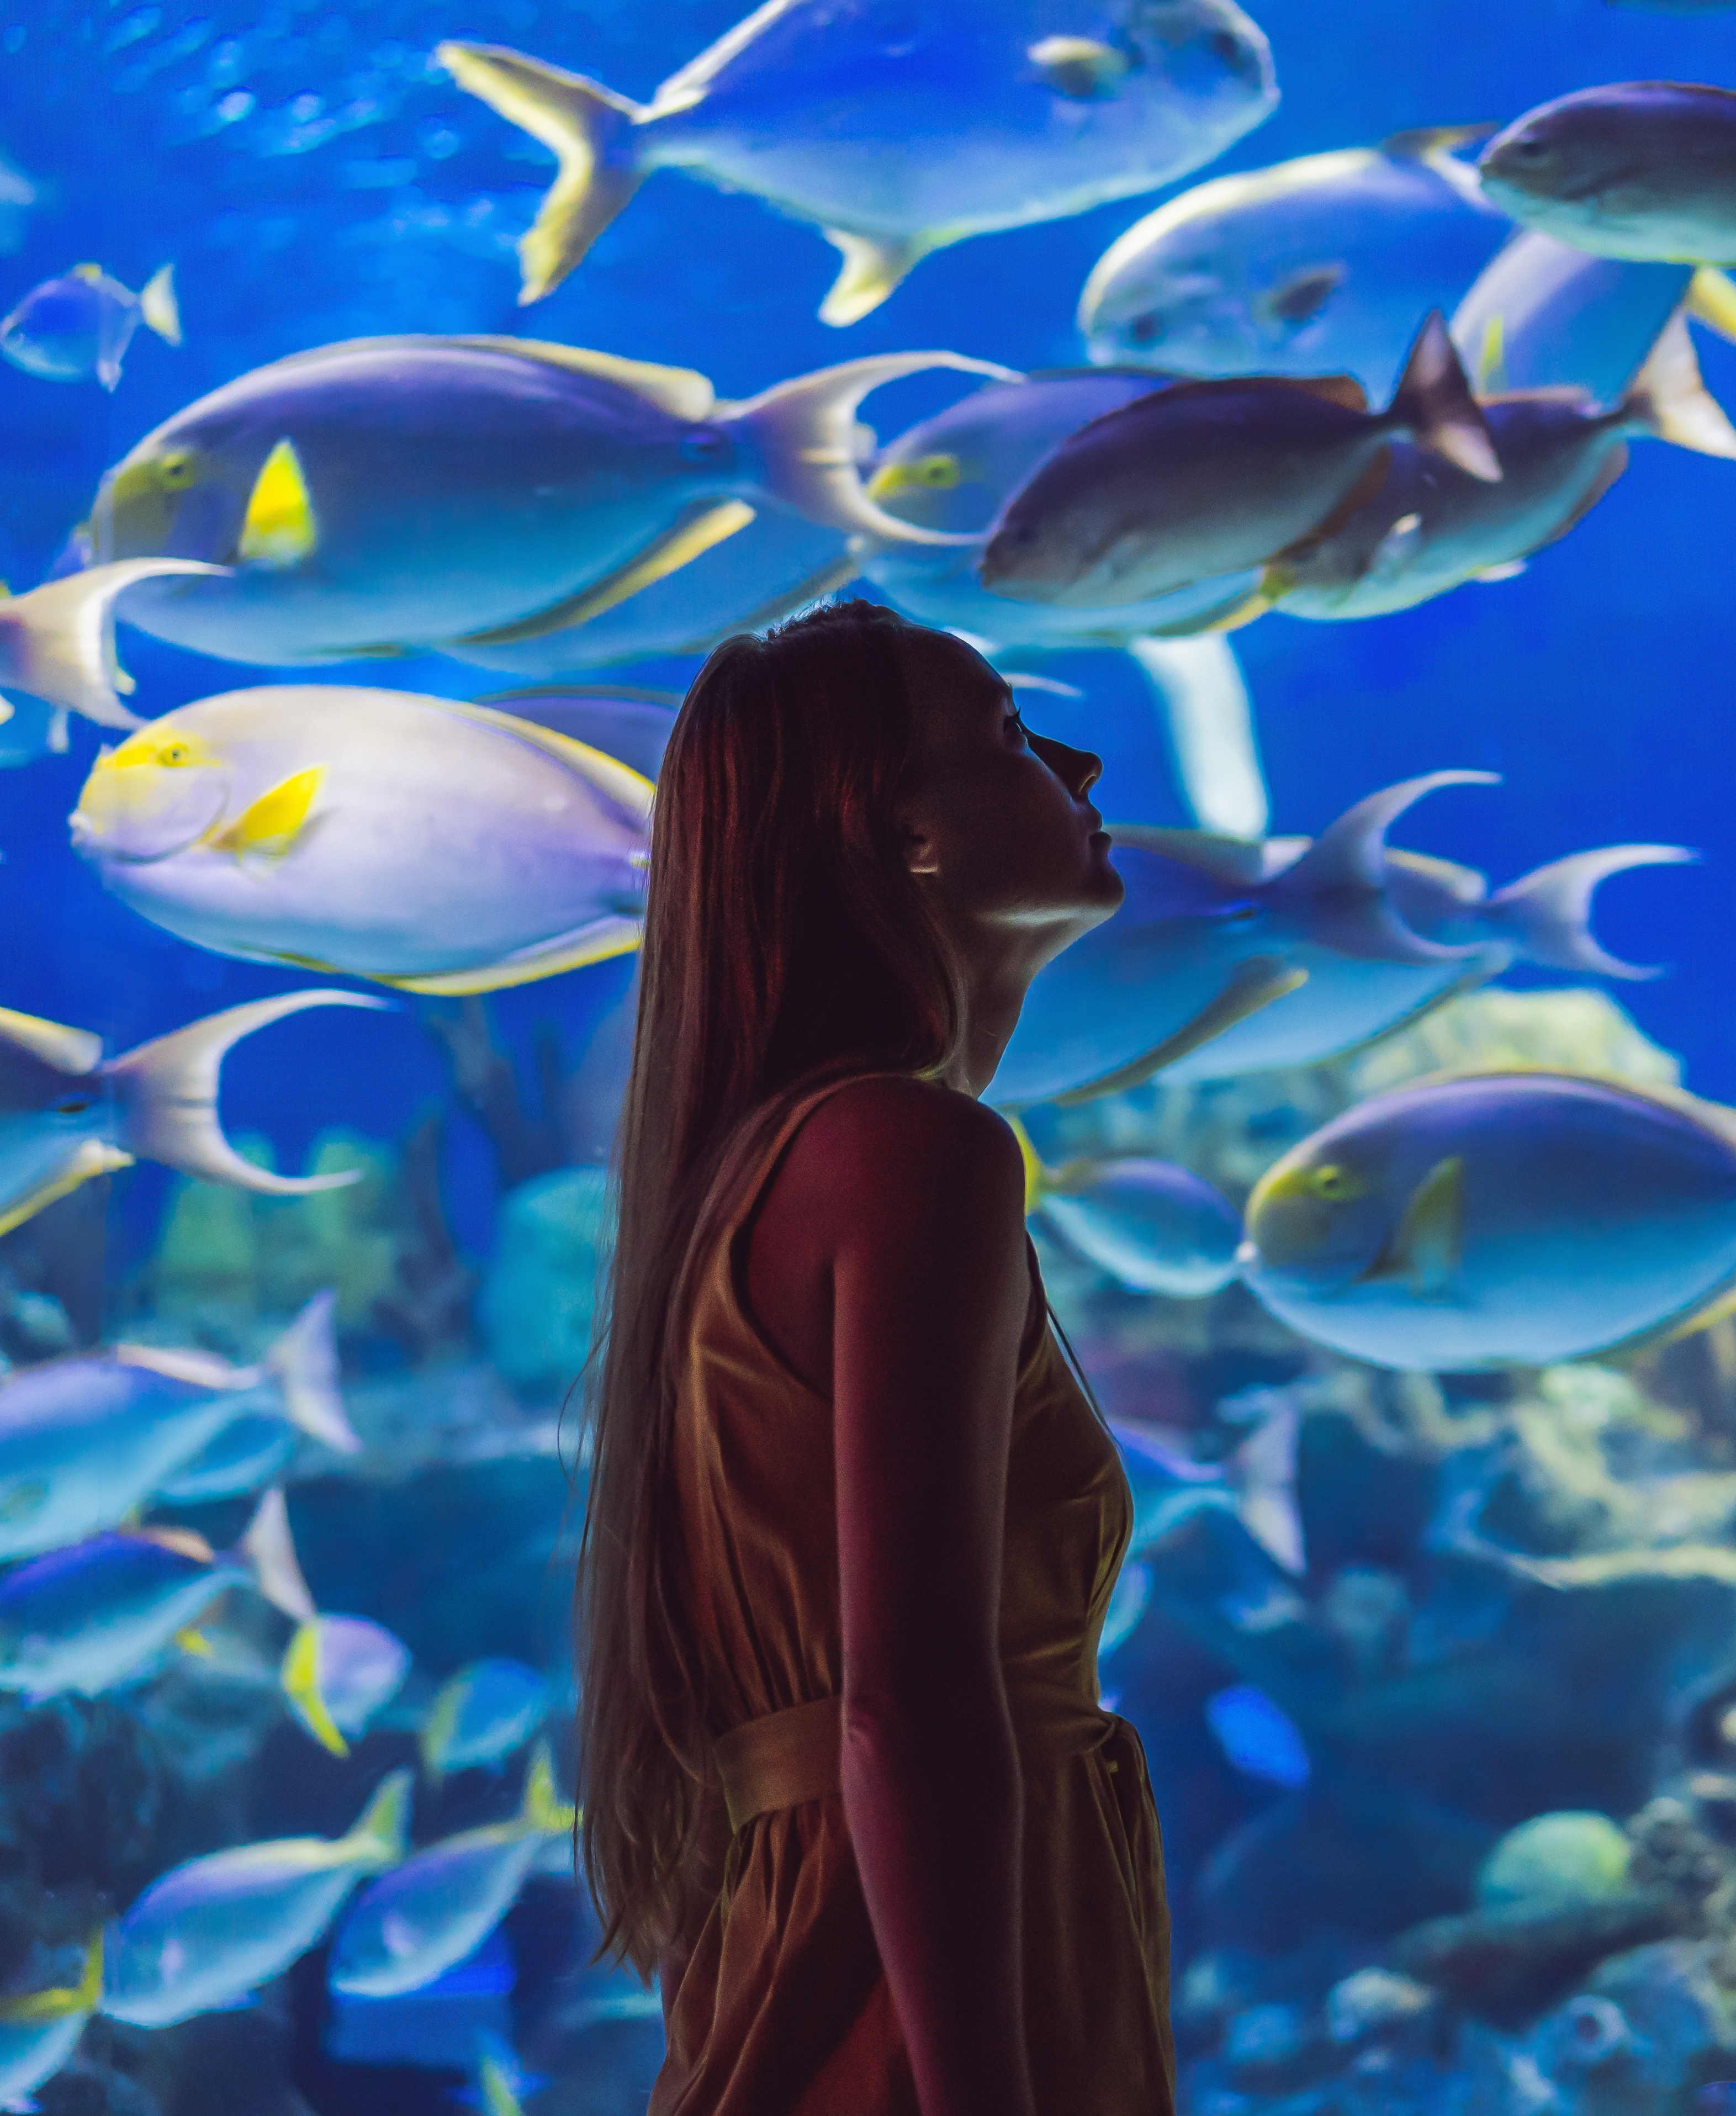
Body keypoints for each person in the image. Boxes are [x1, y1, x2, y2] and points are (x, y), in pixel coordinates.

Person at [575, 600, 1168, 2116]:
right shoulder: (908, 1154)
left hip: (821, 1947)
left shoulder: (759, 1171)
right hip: (914, 1996)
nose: (1080, 758)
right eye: (1007, 736)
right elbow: (906, 1702)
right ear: (902, 835)